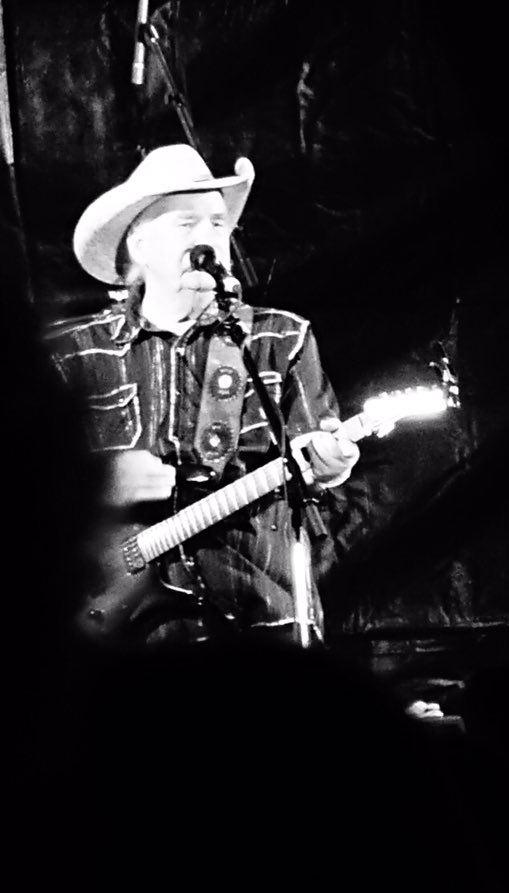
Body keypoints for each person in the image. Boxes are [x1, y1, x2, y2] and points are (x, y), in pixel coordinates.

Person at [47, 143, 362, 646]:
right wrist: (87, 484)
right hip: (117, 629)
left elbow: (316, 464)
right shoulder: (71, 353)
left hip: (259, 615)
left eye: (218, 225)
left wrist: (331, 462)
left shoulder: (278, 340)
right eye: (184, 224)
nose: (208, 240)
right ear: (138, 247)